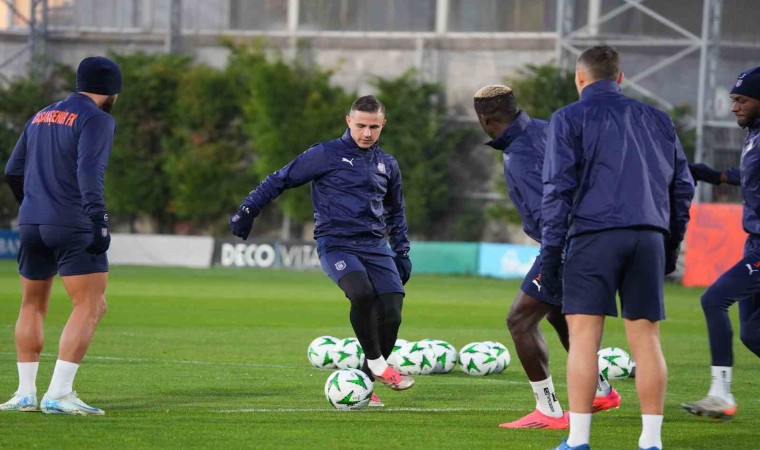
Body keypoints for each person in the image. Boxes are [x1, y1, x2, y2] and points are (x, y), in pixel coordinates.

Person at [541, 46, 694, 450]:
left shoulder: (567, 118)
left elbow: (557, 188)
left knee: (584, 338)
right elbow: (683, 187)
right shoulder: (658, 119)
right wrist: (670, 245)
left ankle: (578, 441)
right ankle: (651, 442)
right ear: (620, 79)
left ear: (579, 78)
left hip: (594, 235)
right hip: (649, 235)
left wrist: (551, 253)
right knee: (647, 340)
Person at [229, 95, 413, 407]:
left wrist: (402, 251)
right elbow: (280, 179)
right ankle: (379, 365)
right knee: (362, 294)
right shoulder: (325, 153)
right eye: (360, 126)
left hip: (375, 246)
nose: (366, 133)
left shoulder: (387, 164)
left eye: (373, 127)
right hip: (336, 242)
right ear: (348, 121)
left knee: (392, 309)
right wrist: (248, 209)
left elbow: (396, 211)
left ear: (383, 125)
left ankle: (365, 384)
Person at [472, 85, 620, 430]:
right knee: (556, 312)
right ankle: (600, 390)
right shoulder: (544, 129)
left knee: (520, 320)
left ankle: (549, 410)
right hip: (591, 236)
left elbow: (552, 213)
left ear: (485, 120)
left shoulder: (522, 155)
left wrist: (555, 259)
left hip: (568, 244)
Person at [0, 56, 121, 415]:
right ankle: (59, 393)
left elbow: (12, 170)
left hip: (31, 222)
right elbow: (90, 171)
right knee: (91, 305)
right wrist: (98, 217)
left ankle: (24, 394)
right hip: (72, 221)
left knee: (32, 305)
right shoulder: (97, 118)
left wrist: (34, 205)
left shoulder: (41, 115)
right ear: (111, 90)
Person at [681, 65, 760, 421]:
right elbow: (751, 175)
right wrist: (714, 176)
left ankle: (721, 394)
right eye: (733, 99)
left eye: (741, 99)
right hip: (753, 243)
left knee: (714, 299)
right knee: (753, 334)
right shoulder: (754, 134)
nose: (734, 107)